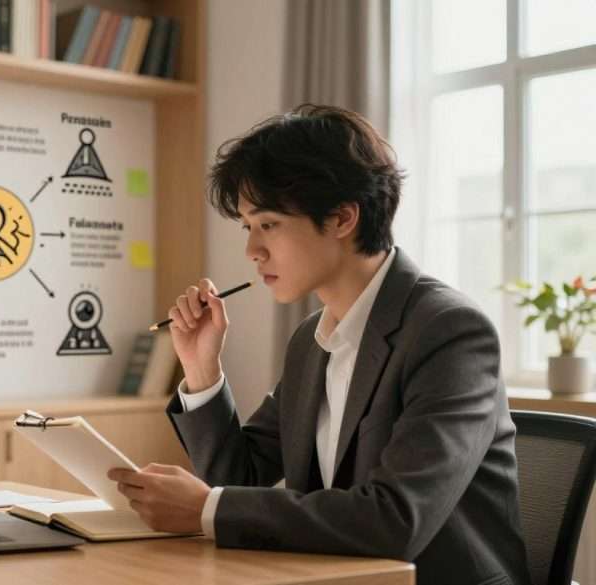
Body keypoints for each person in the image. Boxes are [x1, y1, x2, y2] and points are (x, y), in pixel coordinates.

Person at [108, 104, 530, 585]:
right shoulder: (312, 340)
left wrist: (206, 508)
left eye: (268, 224)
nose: (251, 251)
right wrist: (202, 369)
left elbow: (396, 521)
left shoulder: (450, 332)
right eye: (247, 227)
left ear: (342, 218)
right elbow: (241, 481)